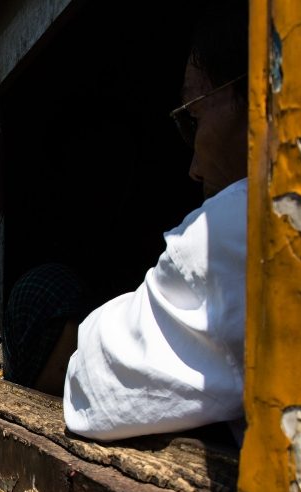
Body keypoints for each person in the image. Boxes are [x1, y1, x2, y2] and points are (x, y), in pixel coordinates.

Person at [56, 0, 249, 442]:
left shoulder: (237, 224)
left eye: (194, 119)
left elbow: (91, 385)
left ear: (256, 93)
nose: (193, 169)